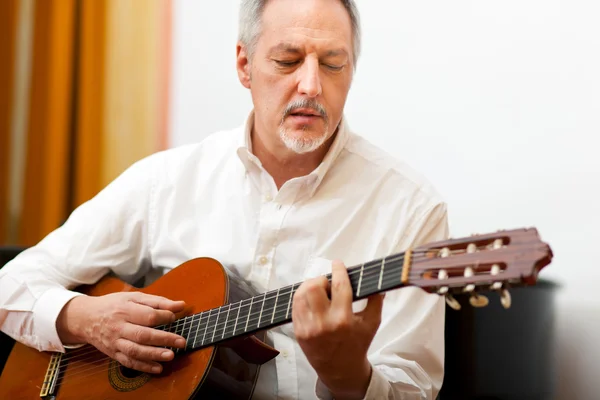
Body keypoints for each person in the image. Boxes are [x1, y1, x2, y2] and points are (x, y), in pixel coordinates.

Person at [0, 0, 450, 398]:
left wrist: (349, 376)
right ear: (244, 64)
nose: (311, 86)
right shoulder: (168, 181)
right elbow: (11, 285)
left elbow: (412, 390)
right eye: (288, 59)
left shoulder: (411, 208)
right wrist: (84, 317)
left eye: (333, 63)